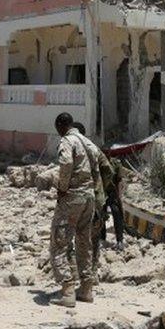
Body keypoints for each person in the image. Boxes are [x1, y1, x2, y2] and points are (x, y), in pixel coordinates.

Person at [49, 113, 101, 307]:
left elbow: (66, 163)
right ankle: (87, 289)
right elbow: (97, 168)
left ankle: (68, 291)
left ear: (62, 125)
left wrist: (62, 188)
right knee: (84, 241)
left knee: (59, 243)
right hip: (89, 197)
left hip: (72, 197)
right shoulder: (88, 143)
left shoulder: (67, 141)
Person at [72, 122, 125, 258]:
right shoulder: (96, 164)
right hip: (100, 193)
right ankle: (102, 238)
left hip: (112, 192)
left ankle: (120, 240)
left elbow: (119, 180)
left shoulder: (116, 164)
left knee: (117, 214)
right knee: (100, 216)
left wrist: (119, 197)